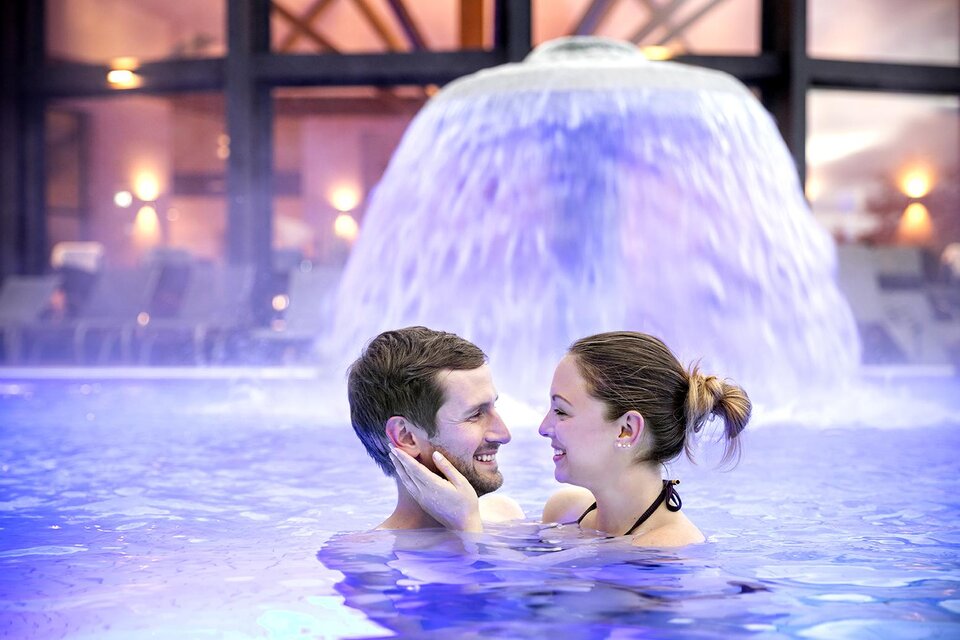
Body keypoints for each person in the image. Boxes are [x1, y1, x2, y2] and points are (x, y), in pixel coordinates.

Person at [392, 331, 750, 547]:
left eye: (561, 411)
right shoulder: (566, 512)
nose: (543, 427)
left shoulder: (669, 553)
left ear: (626, 430)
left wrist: (467, 528)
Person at [347, 325, 524, 531]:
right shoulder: (368, 550)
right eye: (475, 414)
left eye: (494, 406)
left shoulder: (505, 514)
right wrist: (467, 527)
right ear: (406, 436)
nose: (504, 435)